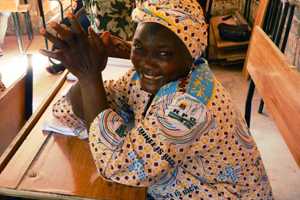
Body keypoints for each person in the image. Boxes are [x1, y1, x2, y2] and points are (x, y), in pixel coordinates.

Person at [40, 0, 273, 199]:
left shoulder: (190, 107)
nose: (146, 63)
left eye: (164, 53)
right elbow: (76, 107)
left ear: (192, 53)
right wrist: (85, 69)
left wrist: (90, 76)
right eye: (139, 48)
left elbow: (117, 165)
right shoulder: (145, 78)